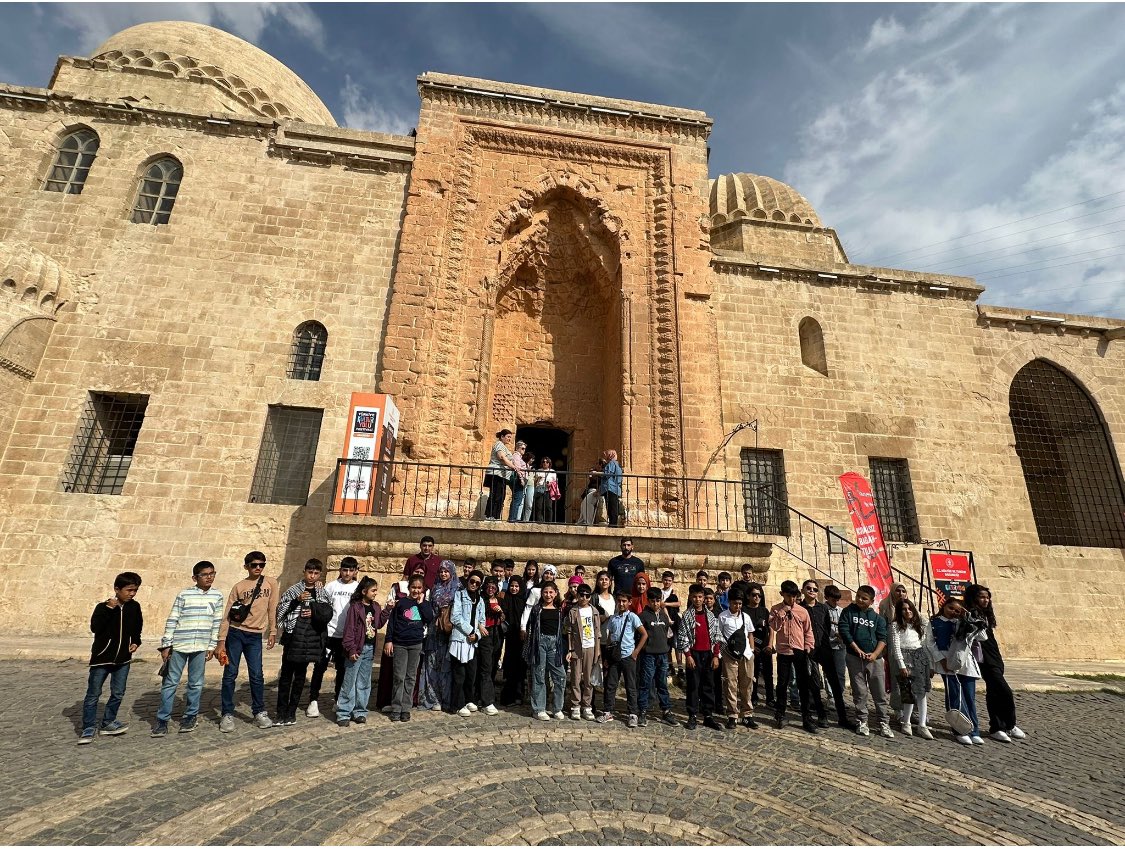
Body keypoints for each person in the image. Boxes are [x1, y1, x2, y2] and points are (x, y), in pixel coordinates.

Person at [152, 561, 222, 737]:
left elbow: (216, 623)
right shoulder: (184, 594)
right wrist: (166, 644)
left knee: (196, 683)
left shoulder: (217, 596)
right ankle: (162, 719)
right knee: (170, 683)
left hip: (200, 646)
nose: (209, 577)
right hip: (180, 645)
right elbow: (173, 618)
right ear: (195, 578)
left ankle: (190, 716)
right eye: (205, 574)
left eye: (212, 573)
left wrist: (212, 646)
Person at [79, 571, 143, 744]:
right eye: (129, 590)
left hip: (123, 659)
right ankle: (88, 727)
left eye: (135, 590)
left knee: (118, 692)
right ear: (117, 589)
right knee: (93, 694)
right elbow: (95, 628)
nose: (132, 594)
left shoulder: (134, 607)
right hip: (102, 658)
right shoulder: (103, 607)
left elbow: (137, 627)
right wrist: (109, 609)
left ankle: (108, 722)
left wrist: (136, 642)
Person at [218, 551, 279, 733]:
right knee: (230, 673)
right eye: (254, 565)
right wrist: (221, 640)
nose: (258, 568)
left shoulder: (271, 583)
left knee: (257, 675)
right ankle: (227, 713)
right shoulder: (239, 586)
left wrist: (273, 631)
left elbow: (272, 608)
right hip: (236, 633)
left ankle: (259, 711)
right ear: (246, 566)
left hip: (255, 636)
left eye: (261, 564)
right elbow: (228, 614)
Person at [963, 583, 1026, 743]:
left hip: (994, 656)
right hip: (984, 659)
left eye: (987, 597)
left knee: (994, 693)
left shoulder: (986, 614)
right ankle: (1010, 724)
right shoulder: (971, 615)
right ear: (974, 598)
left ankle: (997, 727)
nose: (986, 600)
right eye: (982, 597)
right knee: (1005, 691)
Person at [275, 559, 332, 726]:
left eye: (315, 573)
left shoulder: (322, 592)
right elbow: (281, 611)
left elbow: (327, 613)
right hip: (293, 637)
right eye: (309, 572)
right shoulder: (293, 590)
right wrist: (297, 601)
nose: (312, 576)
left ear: (319, 574)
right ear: (304, 572)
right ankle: (281, 712)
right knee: (286, 676)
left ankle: (292, 711)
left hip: (310, 640)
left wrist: (313, 612)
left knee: (300, 677)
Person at [927, 596, 989, 745]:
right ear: (944, 606)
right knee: (955, 696)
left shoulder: (963, 622)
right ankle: (960, 730)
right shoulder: (934, 622)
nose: (953, 612)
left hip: (966, 664)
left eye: (957, 610)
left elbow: (982, 637)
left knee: (969, 697)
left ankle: (974, 730)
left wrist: (970, 618)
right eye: (951, 608)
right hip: (946, 663)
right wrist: (941, 661)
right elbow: (929, 643)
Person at [307, 556, 360, 719]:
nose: (347, 573)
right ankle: (313, 700)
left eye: (351, 570)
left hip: (346, 635)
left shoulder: (357, 588)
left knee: (342, 669)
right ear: (340, 570)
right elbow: (322, 605)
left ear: (356, 571)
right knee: (320, 666)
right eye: (345, 570)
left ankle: (338, 699)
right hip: (328, 633)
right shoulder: (331, 586)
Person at [839, 585, 893, 739]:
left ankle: (883, 722)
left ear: (871, 601)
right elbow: (845, 632)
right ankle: (862, 720)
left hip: (874, 660)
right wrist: (857, 650)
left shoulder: (878, 619)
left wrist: (875, 654)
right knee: (860, 691)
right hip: (855, 658)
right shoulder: (848, 612)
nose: (860, 600)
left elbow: (883, 638)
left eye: (864, 598)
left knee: (879, 692)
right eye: (858, 596)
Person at [767, 580, 818, 735]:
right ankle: (780, 713)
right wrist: (783, 612)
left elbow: (808, 631)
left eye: (794, 596)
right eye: (789, 596)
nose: (792, 600)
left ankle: (806, 716)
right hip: (783, 651)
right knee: (782, 684)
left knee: (803, 684)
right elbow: (774, 627)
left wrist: (808, 646)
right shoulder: (775, 609)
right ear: (782, 594)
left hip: (799, 650)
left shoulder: (802, 611)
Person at [336, 576, 388, 726]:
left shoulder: (376, 607)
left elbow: (377, 624)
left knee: (364, 682)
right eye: (373, 590)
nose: (375, 593)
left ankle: (360, 711)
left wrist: (387, 610)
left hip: (369, 649)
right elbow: (349, 630)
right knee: (349, 681)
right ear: (364, 591)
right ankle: (344, 712)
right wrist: (351, 649)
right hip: (357, 649)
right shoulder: (356, 607)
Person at [673, 583, 723, 731]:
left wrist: (715, 656)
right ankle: (692, 715)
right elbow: (682, 637)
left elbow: (716, 636)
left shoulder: (711, 616)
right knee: (693, 686)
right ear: (690, 597)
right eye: (694, 597)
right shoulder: (687, 616)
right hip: (694, 654)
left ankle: (708, 715)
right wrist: (688, 655)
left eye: (700, 597)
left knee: (708, 685)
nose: (698, 599)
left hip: (708, 654)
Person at [385, 575, 434, 723]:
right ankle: (396, 707)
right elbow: (392, 623)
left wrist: (421, 603)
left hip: (415, 644)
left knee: (410, 677)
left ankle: (406, 708)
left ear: (423, 589)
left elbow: (429, 618)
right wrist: (389, 641)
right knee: (399, 676)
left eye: (419, 588)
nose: (416, 590)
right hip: (400, 644)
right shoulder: (401, 603)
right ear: (409, 588)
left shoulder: (424, 604)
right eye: (414, 587)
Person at [599, 590, 647, 727]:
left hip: (628, 655)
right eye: (619, 601)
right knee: (610, 685)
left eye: (624, 601)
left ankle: (633, 713)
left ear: (629, 602)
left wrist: (636, 652)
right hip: (615, 656)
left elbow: (644, 634)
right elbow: (610, 637)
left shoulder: (632, 617)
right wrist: (607, 656)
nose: (621, 603)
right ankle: (608, 711)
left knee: (630, 686)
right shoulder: (613, 618)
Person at [888, 599, 933, 739]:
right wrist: (901, 664)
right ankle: (906, 722)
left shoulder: (919, 625)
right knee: (908, 692)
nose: (907, 611)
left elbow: (925, 643)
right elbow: (896, 646)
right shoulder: (896, 626)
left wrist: (930, 664)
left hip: (919, 656)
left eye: (910, 609)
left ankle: (922, 725)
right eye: (904, 609)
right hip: (905, 657)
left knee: (922, 692)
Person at [523, 580, 566, 720]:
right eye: (545, 592)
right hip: (539, 643)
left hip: (554, 645)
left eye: (551, 592)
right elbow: (530, 627)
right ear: (541, 594)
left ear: (555, 594)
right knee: (539, 676)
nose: (548, 595)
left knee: (560, 676)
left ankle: (557, 708)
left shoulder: (559, 610)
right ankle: (539, 709)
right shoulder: (537, 609)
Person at [419, 559, 458, 711]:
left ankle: (447, 698)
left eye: (446, 571)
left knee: (446, 666)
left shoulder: (458, 588)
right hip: (434, 631)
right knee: (432, 664)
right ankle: (433, 699)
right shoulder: (434, 588)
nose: (443, 573)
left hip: (449, 632)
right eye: (441, 571)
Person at [450, 569, 492, 716]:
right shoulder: (459, 595)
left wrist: (478, 635)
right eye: (472, 581)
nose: (473, 584)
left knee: (471, 673)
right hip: (460, 639)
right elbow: (455, 617)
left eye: (477, 583)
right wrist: (470, 631)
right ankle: (457, 704)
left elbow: (482, 621)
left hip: (472, 642)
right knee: (459, 674)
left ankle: (469, 699)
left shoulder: (480, 600)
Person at [638, 587, 679, 727]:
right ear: (648, 601)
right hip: (648, 655)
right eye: (653, 600)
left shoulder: (663, 615)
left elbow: (667, 633)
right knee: (645, 683)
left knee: (662, 684)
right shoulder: (643, 616)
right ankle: (642, 710)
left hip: (662, 655)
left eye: (658, 600)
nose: (656, 603)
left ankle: (666, 711)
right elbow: (638, 636)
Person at [718, 588, 758, 730]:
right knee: (731, 685)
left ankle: (747, 714)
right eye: (735, 603)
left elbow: (751, 634)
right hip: (730, 655)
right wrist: (722, 654)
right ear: (729, 602)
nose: (738, 606)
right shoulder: (723, 617)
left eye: (740, 604)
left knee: (747, 684)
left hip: (746, 654)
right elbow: (719, 637)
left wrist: (752, 651)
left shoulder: (745, 617)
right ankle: (732, 715)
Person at [566, 583, 601, 721]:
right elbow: (569, 632)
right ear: (578, 595)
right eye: (582, 595)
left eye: (587, 596)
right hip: (577, 648)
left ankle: (586, 706)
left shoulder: (594, 611)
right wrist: (570, 649)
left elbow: (597, 633)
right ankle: (575, 706)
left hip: (591, 647)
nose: (584, 598)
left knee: (588, 679)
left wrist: (597, 651)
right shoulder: (573, 611)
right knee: (575, 678)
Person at [820, 585, 852, 730]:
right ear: (827, 597)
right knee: (828, 673)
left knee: (840, 674)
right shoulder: (822, 609)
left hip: (840, 646)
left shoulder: (841, 611)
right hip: (828, 645)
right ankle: (831, 697)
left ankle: (838, 696)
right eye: (834, 599)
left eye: (838, 599)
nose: (836, 602)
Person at [797, 579, 829, 728]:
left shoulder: (823, 608)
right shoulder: (798, 608)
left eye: (815, 589)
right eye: (808, 588)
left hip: (822, 649)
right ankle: (816, 713)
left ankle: (824, 712)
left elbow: (826, 628)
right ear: (803, 590)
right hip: (806, 650)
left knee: (826, 681)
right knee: (811, 683)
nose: (812, 591)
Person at [474, 575, 505, 709]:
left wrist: (501, 611)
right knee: (485, 665)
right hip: (485, 632)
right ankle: (487, 700)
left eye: (494, 586)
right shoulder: (480, 599)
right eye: (489, 586)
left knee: (493, 665)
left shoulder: (499, 600)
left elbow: (503, 619)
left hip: (496, 633)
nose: (491, 589)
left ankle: (484, 694)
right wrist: (481, 626)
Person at [499, 575, 528, 706]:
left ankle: (519, 695)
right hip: (510, 637)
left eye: (516, 586)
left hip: (521, 637)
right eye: (512, 586)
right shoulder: (505, 599)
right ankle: (509, 696)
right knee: (510, 666)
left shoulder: (523, 601)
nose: (514, 588)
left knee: (521, 666)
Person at [746, 582, 773, 709]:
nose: (757, 597)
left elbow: (771, 628)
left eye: (759, 595)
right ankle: (753, 697)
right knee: (753, 673)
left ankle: (770, 698)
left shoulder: (764, 611)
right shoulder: (744, 611)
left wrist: (770, 644)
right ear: (748, 596)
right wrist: (751, 647)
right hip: (752, 648)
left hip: (765, 647)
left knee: (768, 674)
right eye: (754, 595)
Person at [484, 429, 518, 521]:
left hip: (501, 475)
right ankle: (490, 515)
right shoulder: (499, 444)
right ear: (502, 436)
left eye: (510, 437)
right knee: (496, 494)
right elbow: (501, 457)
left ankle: (495, 516)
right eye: (508, 437)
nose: (509, 439)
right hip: (496, 474)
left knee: (500, 495)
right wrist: (513, 467)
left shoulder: (503, 446)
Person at [660, 570, 683, 681]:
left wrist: (666, 603)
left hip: (675, 620)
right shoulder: (660, 592)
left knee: (677, 644)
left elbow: (678, 603)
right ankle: (670, 665)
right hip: (665, 620)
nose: (667, 582)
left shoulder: (675, 591)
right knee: (668, 645)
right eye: (665, 580)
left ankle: (680, 667)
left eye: (669, 580)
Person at [599, 449, 624, 526]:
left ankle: (613, 524)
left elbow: (607, 474)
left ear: (610, 455)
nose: (605, 457)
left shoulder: (612, 463)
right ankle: (612, 523)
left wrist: (598, 473)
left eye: (606, 454)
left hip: (610, 488)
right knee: (612, 506)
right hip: (614, 488)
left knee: (612, 507)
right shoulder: (616, 464)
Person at [531, 456, 559, 523]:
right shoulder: (538, 471)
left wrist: (550, 484)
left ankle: (548, 522)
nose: (545, 463)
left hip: (548, 490)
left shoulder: (552, 471)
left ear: (549, 463)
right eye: (543, 462)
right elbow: (534, 482)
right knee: (539, 506)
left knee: (548, 507)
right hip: (540, 489)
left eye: (547, 462)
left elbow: (555, 482)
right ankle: (539, 522)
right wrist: (538, 479)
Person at [508, 440, 530, 522]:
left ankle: (512, 517)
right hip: (517, 479)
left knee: (517, 498)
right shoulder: (516, 456)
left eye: (524, 449)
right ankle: (512, 518)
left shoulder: (519, 456)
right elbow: (517, 468)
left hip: (518, 478)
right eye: (522, 448)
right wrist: (521, 479)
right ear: (517, 448)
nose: (524, 450)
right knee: (517, 498)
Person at [578, 459, 605, 525]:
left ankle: (588, 522)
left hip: (596, 491)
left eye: (597, 464)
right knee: (583, 504)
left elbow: (602, 483)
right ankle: (582, 521)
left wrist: (598, 491)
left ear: (600, 465)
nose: (595, 465)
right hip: (590, 490)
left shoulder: (602, 473)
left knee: (588, 502)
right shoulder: (594, 471)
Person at [520, 450, 537, 522]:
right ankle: (517, 519)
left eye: (533, 459)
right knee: (521, 502)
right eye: (531, 458)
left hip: (531, 485)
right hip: (523, 483)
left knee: (529, 504)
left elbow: (534, 478)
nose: (532, 460)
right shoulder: (523, 464)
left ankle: (525, 520)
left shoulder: (533, 467)